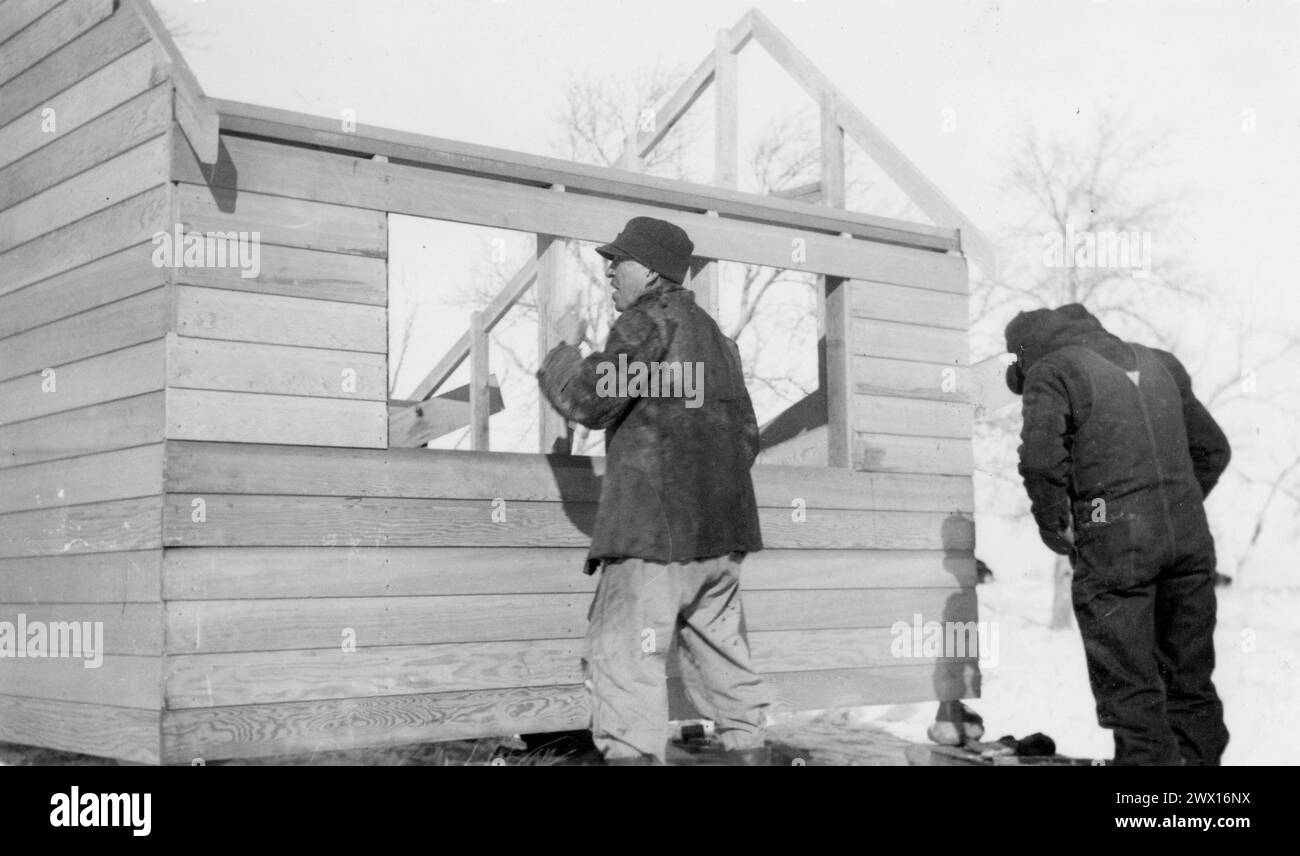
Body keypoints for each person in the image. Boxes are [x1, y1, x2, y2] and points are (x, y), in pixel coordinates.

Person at [536, 216, 771, 766]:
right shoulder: (719, 339)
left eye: (619, 260)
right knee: (722, 661)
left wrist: (564, 350)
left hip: (653, 541)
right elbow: (747, 437)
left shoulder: (649, 324)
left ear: (652, 270)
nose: (610, 269)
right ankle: (750, 754)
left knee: (623, 660)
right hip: (720, 543)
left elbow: (591, 402)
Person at [1005, 303, 1231, 766]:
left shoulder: (1052, 370)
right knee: (1190, 682)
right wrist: (1173, 508)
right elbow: (1213, 449)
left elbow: (1040, 463)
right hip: (1190, 546)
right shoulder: (1160, 361)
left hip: (1116, 550)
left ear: (1025, 353)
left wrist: (1059, 530)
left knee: (1131, 690)